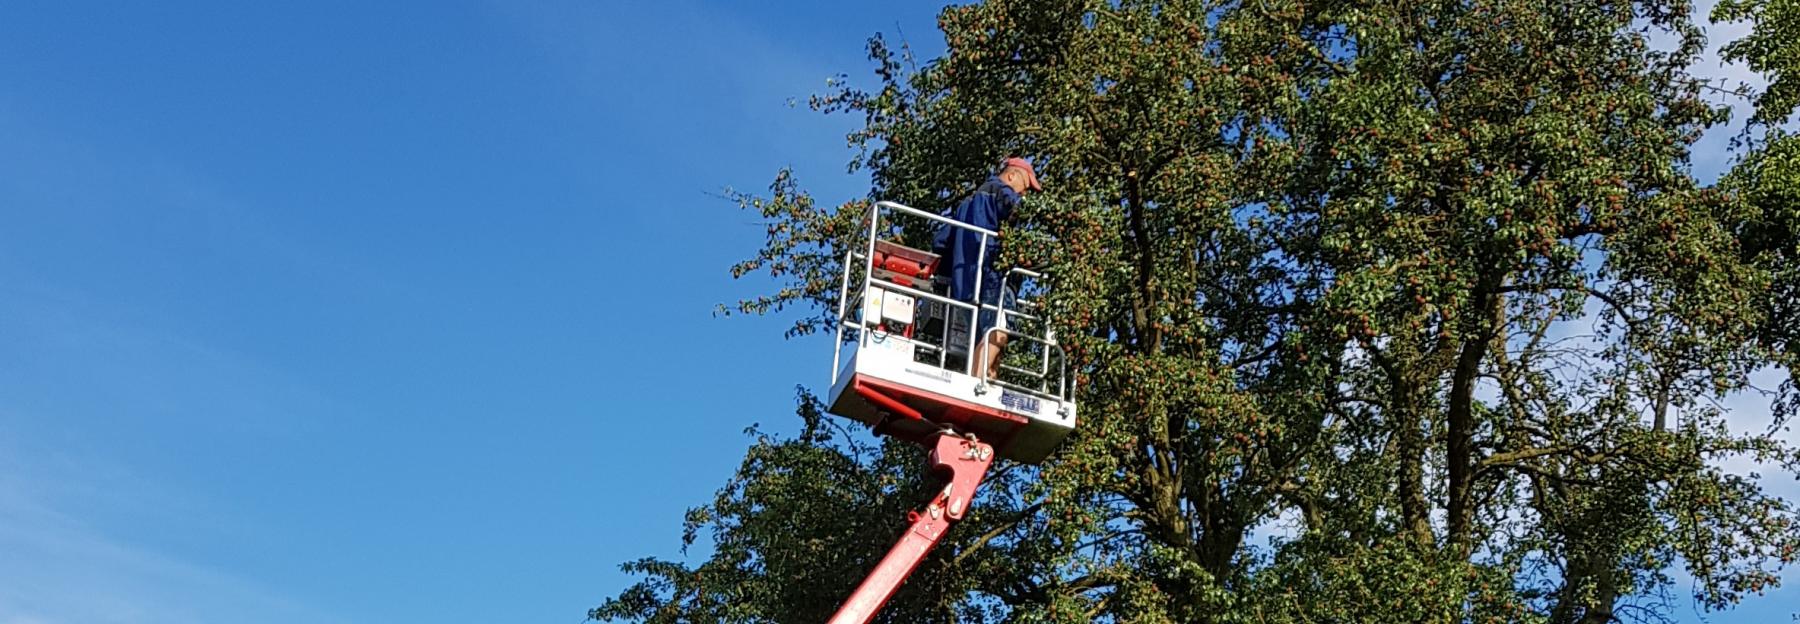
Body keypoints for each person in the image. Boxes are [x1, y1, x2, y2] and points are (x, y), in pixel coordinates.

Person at [933, 157, 1041, 380]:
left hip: (964, 284)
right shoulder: (999, 190)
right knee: (998, 331)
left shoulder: (965, 205)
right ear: (1011, 176)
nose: (1024, 194)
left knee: (984, 335)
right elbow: (1018, 209)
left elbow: (941, 242)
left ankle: (987, 377)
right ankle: (978, 383)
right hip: (992, 275)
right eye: (1025, 187)